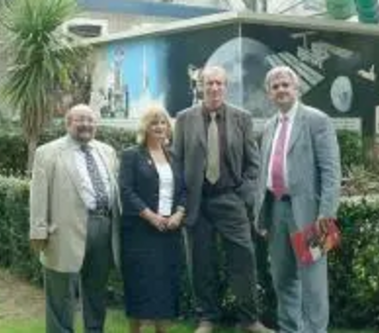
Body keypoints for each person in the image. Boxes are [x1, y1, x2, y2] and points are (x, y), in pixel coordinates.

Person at [174, 66, 271, 333]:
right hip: (197, 203)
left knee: (243, 259)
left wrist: (244, 196)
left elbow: (254, 164)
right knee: (201, 262)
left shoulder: (242, 118)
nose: (214, 88)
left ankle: (249, 320)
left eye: (219, 83)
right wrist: (181, 202)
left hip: (231, 199)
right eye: (209, 83)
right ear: (200, 86)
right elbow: (177, 162)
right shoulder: (184, 119)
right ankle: (207, 318)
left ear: (226, 87)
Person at [253, 66, 341, 333]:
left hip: (311, 215)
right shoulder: (269, 126)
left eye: (285, 85)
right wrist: (261, 214)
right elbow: (264, 172)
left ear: (297, 88)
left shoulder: (317, 120)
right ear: (269, 93)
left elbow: (331, 170)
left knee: (313, 284)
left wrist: (326, 214)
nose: (281, 90)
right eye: (275, 86)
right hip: (277, 211)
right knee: (283, 280)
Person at [29, 104, 120, 333]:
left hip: (104, 227)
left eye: (90, 120)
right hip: (63, 232)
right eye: (80, 120)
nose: (86, 125)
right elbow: (38, 195)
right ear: (68, 123)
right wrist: (39, 231)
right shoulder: (47, 152)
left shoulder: (107, 151)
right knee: (61, 295)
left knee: (96, 290)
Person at [119, 105, 186, 333]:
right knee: (140, 285)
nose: (159, 127)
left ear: (169, 127)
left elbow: (184, 190)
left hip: (169, 231)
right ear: (145, 128)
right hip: (140, 231)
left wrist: (179, 212)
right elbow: (126, 191)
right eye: (154, 123)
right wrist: (150, 216)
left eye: (163, 122)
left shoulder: (175, 156)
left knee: (165, 286)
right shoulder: (131, 155)